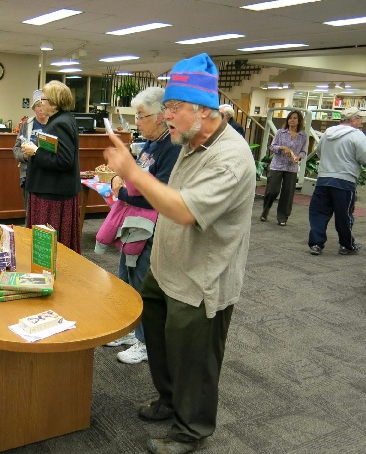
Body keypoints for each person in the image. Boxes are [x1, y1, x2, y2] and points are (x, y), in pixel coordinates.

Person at [104, 53, 255, 454]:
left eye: (173, 107)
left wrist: (133, 172)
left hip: (202, 278)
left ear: (203, 111)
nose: (165, 115)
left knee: (196, 359)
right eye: (166, 107)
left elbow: (186, 211)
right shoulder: (190, 139)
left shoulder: (231, 157)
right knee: (161, 342)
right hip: (167, 267)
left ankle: (192, 429)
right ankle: (169, 401)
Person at [97, 87, 181, 365]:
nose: (138, 122)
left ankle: (147, 342)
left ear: (160, 117)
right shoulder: (151, 143)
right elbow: (138, 175)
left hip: (150, 227)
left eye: (142, 116)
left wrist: (121, 190)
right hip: (133, 223)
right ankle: (133, 332)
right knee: (126, 280)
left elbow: (157, 193)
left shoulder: (171, 146)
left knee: (143, 283)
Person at [22, 80, 81, 253]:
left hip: (52, 195)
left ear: (54, 104)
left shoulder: (60, 124)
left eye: (44, 99)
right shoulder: (61, 120)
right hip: (51, 191)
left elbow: (64, 160)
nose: (40, 103)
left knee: (49, 248)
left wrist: (35, 151)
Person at [308, 107, 366, 256]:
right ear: (353, 120)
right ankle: (346, 245)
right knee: (344, 214)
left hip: (323, 178)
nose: (362, 122)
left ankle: (316, 244)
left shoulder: (328, 132)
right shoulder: (357, 135)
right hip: (344, 180)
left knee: (319, 213)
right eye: (360, 119)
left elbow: (319, 151)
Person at [260, 110, 307, 226]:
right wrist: (281, 148)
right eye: (290, 118)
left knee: (287, 194)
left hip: (291, 168)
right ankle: (265, 211)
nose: (292, 120)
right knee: (272, 191)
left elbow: (304, 151)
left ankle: (282, 217)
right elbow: (272, 146)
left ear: (299, 120)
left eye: (295, 118)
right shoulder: (281, 133)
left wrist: (298, 157)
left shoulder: (303, 135)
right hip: (277, 166)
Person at [13, 89, 49, 213]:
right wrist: (25, 156)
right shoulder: (27, 124)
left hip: (48, 172)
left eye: (42, 105)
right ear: (33, 109)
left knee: (46, 211)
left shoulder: (55, 124)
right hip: (29, 173)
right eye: (37, 106)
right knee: (31, 211)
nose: (40, 109)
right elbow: (16, 149)